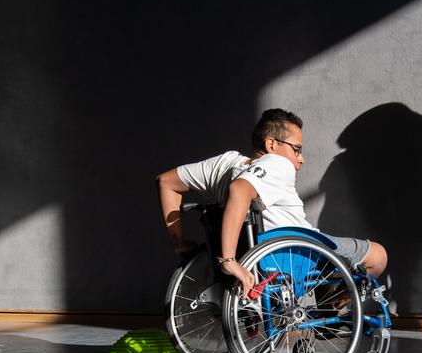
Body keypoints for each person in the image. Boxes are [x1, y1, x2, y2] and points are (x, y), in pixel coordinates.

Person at [157, 109, 387, 298]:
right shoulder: (277, 163)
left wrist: (180, 244)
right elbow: (240, 189)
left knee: (331, 264)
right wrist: (227, 259)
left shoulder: (223, 163)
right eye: (296, 149)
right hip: (292, 252)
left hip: (261, 254)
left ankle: (323, 312)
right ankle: (333, 312)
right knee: (377, 255)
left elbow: (166, 181)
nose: (301, 158)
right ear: (271, 145)